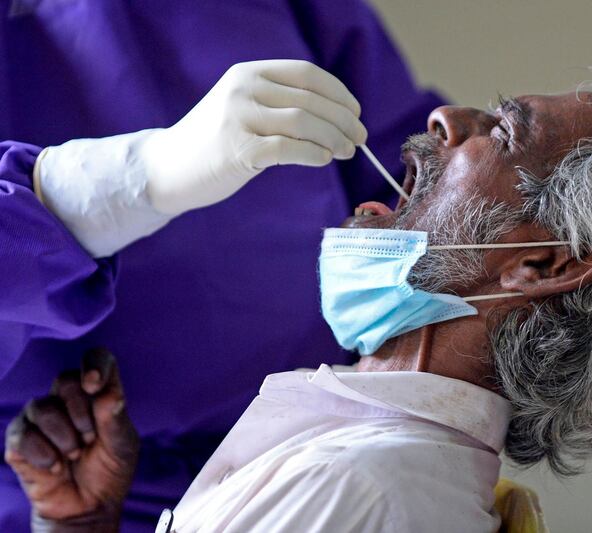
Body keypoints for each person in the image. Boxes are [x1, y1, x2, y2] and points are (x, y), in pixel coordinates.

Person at [5, 58, 592, 532]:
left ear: (547, 264)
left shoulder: (360, 491)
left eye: (504, 130)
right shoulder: (376, 474)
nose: (446, 117)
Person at [0, 0, 446, 530]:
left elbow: (408, 178)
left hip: (333, 431)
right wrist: (127, 180)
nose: (456, 125)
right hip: (69, 472)